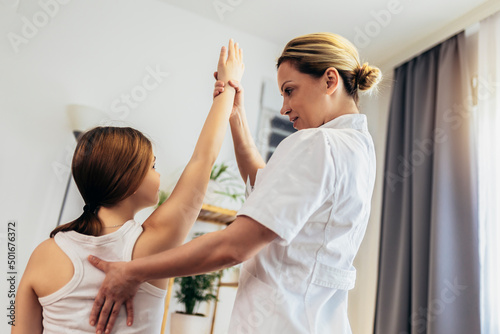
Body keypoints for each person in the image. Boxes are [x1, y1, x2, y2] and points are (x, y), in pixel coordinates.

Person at [88, 32, 382, 334]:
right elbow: (270, 189)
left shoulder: (318, 143)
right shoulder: (358, 147)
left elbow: (235, 246)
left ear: (330, 81)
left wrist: (132, 273)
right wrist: (237, 116)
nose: (284, 108)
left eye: (290, 91)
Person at [12, 39, 244, 334]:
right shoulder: (153, 243)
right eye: (153, 166)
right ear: (130, 180)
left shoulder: (45, 252)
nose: (158, 175)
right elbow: (203, 159)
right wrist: (229, 86)